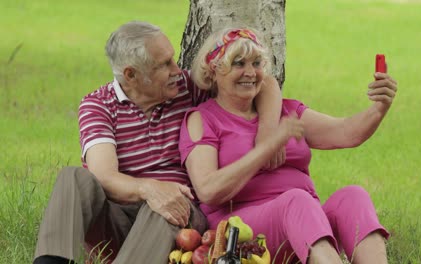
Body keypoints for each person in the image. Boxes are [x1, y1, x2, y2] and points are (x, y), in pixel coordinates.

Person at [33, 21, 284, 264]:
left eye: (173, 59)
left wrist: (267, 134)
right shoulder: (98, 105)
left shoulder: (188, 88)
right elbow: (104, 175)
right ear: (131, 75)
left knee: (168, 205)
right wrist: (150, 189)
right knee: (73, 178)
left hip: (177, 219)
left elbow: (265, 84)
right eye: (164, 65)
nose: (177, 70)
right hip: (118, 218)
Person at [179, 27, 398, 264]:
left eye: (256, 63)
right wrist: (267, 147)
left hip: (307, 222)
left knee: (353, 196)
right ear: (214, 70)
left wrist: (379, 108)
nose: (250, 72)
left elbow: (346, 132)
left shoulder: (286, 111)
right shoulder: (203, 119)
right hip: (243, 230)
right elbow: (208, 190)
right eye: (239, 64)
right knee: (296, 200)